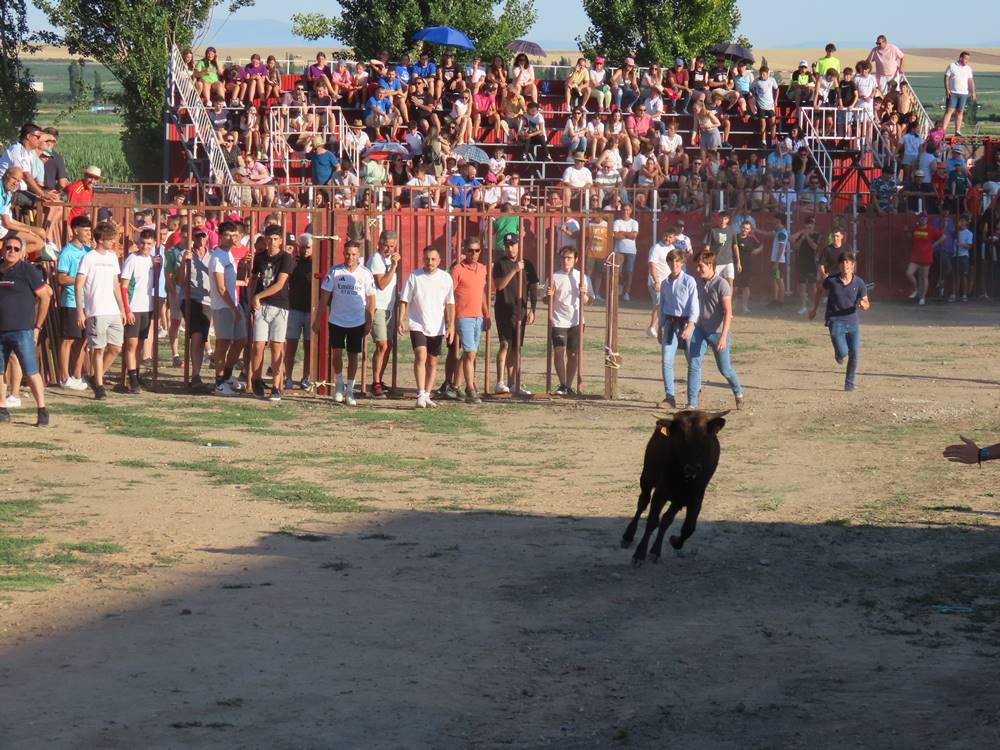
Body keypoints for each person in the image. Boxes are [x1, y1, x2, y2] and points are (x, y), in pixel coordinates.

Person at [314, 241, 376, 406]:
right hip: (337, 319)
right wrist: (318, 319)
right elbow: (325, 296)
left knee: (353, 355)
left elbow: (371, 300)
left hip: (357, 321)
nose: (350, 257)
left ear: (358, 255)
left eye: (354, 254)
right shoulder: (335, 271)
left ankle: (350, 389)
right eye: (348, 254)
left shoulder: (365, 273)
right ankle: (339, 385)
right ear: (344, 253)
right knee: (336, 353)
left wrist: (369, 321)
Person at [0, 234, 52, 426]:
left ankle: (42, 409)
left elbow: (45, 297)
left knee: (31, 371)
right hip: (1, 330)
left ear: (22, 252)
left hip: (22, 329)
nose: (11, 251)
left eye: (15, 248)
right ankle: (2, 407)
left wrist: (37, 326)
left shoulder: (28, 270)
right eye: (8, 248)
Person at [685, 252, 743, 411]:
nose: (698, 269)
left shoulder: (722, 284)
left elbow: (728, 312)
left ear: (710, 265)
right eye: (697, 266)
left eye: (701, 266)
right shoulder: (696, 283)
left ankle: (738, 393)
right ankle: (692, 403)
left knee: (725, 369)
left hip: (717, 333)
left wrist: (723, 337)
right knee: (694, 363)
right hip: (700, 330)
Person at [398, 246, 455, 408]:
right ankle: (421, 393)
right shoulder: (414, 276)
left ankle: (428, 394)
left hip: (437, 325)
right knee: (420, 356)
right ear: (423, 259)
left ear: (439, 261)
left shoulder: (446, 278)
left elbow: (450, 303)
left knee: (432, 361)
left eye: (433, 259)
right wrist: (401, 319)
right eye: (427, 259)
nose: (430, 262)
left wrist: (450, 325)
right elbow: (404, 300)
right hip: (417, 323)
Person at [75, 222, 125, 400]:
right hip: (96, 309)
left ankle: (97, 378)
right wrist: (80, 310)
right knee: (98, 348)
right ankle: (100, 386)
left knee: (116, 347)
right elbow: (79, 284)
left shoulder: (112, 257)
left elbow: (115, 285)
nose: (112, 242)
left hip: (112, 309)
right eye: (110, 239)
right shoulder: (89, 258)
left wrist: (122, 308)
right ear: (101, 240)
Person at [809, 251, 870, 392]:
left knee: (854, 353)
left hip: (852, 321)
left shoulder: (859, 283)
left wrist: (862, 305)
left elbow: (866, 303)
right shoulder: (832, 280)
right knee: (843, 352)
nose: (845, 265)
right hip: (835, 320)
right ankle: (839, 354)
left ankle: (849, 383)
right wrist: (814, 309)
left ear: (853, 265)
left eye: (848, 262)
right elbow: (819, 291)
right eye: (843, 262)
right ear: (839, 265)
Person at [248, 225, 295, 401]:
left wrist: (257, 296)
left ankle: (277, 384)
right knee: (258, 345)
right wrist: (251, 297)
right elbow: (253, 278)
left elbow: (280, 284)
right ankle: (257, 379)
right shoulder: (259, 258)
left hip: (279, 305)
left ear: (281, 241)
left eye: (276, 239)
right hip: (261, 306)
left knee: (276, 346)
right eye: (270, 238)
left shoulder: (286, 258)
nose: (272, 242)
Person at [492, 233, 537, 396]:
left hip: (520, 310)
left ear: (519, 245)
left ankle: (513, 383)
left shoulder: (528, 265)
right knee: (505, 344)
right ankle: (500, 382)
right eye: (508, 245)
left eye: (513, 245)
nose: (510, 248)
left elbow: (532, 288)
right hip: (503, 309)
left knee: (516, 347)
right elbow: (499, 286)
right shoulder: (500, 264)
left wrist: (533, 309)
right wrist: (515, 269)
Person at [656, 248, 699, 409]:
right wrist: (660, 326)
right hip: (670, 323)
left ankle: (694, 397)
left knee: (692, 361)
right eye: (671, 261)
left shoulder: (689, 281)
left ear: (682, 262)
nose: (674, 264)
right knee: (666, 361)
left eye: (677, 261)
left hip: (686, 322)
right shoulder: (665, 283)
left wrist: (690, 325)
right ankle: (670, 397)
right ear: (667, 263)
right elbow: (663, 306)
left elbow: (694, 305)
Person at [449, 237, 489, 403]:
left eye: (477, 250)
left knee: (469, 353)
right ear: (464, 251)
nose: (473, 254)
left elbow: (482, 293)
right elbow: (450, 295)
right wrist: (450, 319)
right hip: (463, 316)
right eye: (470, 250)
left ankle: (456, 386)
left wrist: (486, 314)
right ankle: (470, 388)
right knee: (470, 352)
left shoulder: (482, 269)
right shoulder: (457, 269)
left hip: (478, 316)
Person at [208, 221, 246, 396]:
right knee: (222, 343)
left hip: (233, 304)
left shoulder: (229, 255)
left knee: (240, 340)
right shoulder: (217, 257)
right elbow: (221, 288)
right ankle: (219, 382)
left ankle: (227, 376)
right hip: (224, 307)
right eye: (228, 235)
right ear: (221, 236)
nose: (231, 238)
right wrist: (233, 308)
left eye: (234, 234)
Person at [172, 227, 213, 388]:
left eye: (203, 235)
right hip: (190, 299)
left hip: (208, 300)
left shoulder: (212, 256)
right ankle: (195, 374)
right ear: (193, 238)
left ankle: (197, 372)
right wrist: (184, 263)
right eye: (198, 236)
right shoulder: (184, 254)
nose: (201, 239)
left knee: (203, 336)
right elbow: (180, 280)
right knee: (196, 333)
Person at [547, 246, 590, 396]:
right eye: (563, 258)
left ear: (575, 260)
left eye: (569, 258)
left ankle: (569, 385)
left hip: (577, 320)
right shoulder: (554, 276)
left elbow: (588, 301)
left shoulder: (581, 277)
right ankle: (563, 384)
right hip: (559, 320)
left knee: (573, 354)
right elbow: (546, 301)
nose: (565, 261)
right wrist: (549, 296)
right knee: (559, 351)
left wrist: (583, 295)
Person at [55, 215, 92, 389]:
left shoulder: (88, 251)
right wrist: (79, 280)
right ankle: (64, 376)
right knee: (68, 340)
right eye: (85, 230)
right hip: (70, 302)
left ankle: (77, 375)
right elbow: (61, 279)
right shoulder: (67, 252)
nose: (88, 234)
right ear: (75, 230)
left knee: (83, 341)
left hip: (87, 303)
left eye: (89, 230)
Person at [119, 228, 156, 394]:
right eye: (143, 243)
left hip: (147, 307)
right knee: (131, 344)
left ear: (153, 244)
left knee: (140, 344)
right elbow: (124, 286)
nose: (145, 246)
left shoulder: (152, 261)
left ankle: (137, 374)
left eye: (149, 243)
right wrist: (127, 309)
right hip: (134, 307)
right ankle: (132, 378)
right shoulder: (131, 259)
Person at [366, 230, 400, 398]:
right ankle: (375, 382)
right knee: (382, 345)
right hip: (377, 306)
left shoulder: (387, 259)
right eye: (386, 245)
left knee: (388, 345)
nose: (389, 249)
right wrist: (393, 267)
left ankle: (378, 379)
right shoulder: (376, 260)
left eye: (392, 246)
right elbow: (381, 284)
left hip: (389, 306)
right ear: (380, 243)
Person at [284, 233, 313, 390]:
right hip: (294, 308)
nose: (304, 251)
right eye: (302, 248)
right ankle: (287, 376)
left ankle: (306, 377)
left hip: (310, 310)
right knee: (291, 345)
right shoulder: (293, 263)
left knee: (309, 346)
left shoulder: (316, 264)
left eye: (308, 247)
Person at [906, 212, 943, 305]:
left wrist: (934, 245)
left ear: (927, 220)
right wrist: (906, 231)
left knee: (924, 277)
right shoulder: (916, 229)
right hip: (915, 256)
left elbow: (943, 236)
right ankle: (916, 289)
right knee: (909, 273)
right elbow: (910, 238)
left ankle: (922, 297)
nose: (923, 220)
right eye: (921, 219)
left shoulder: (930, 229)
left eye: (924, 219)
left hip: (926, 256)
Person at [791, 216, 821, 315]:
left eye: (811, 225)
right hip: (801, 262)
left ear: (813, 226)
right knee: (802, 285)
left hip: (811, 263)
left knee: (812, 286)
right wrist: (801, 236)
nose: (809, 227)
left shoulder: (817, 235)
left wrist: (807, 237)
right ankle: (803, 306)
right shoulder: (801, 235)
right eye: (807, 225)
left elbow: (814, 247)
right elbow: (794, 245)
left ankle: (814, 305)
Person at [941, 52, 975, 137]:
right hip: (953, 92)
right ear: (960, 58)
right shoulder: (952, 66)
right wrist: (947, 89)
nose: (967, 61)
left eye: (968, 59)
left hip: (964, 93)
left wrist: (973, 92)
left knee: (960, 111)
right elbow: (946, 77)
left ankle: (957, 131)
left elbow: (970, 81)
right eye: (965, 59)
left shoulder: (968, 69)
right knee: (949, 111)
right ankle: (943, 130)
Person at [734, 220, 762, 314]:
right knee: (735, 286)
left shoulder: (752, 238)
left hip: (747, 265)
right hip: (734, 264)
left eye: (747, 229)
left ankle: (744, 306)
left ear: (750, 230)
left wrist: (757, 251)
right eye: (743, 228)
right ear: (740, 227)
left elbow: (761, 246)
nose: (744, 230)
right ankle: (733, 304)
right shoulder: (735, 237)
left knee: (745, 286)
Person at [612, 203, 639, 301]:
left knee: (629, 273)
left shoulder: (634, 223)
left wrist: (622, 232)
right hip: (619, 250)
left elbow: (634, 236)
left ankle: (626, 293)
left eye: (627, 210)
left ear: (631, 211)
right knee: (618, 272)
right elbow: (615, 236)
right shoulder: (617, 222)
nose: (625, 212)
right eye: (624, 209)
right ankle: (619, 290)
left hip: (631, 251)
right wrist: (628, 234)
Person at [952, 214, 973, 303]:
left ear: (967, 222)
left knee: (964, 275)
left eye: (963, 221)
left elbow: (969, 246)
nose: (961, 222)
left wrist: (962, 244)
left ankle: (964, 295)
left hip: (964, 256)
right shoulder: (955, 231)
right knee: (956, 276)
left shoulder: (969, 233)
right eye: (960, 220)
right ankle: (954, 294)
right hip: (955, 255)